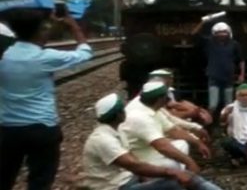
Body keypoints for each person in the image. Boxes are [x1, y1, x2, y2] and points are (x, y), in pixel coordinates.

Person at [0, 9, 93, 190]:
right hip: (42, 128)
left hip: (8, 130)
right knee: (40, 181)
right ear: (40, 30)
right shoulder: (45, 57)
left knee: (4, 178)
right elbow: (85, 53)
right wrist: (74, 27)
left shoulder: (4, 56)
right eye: (46, 27)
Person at [81, 94, 222, 190]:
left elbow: (132, 160)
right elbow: (134, 165)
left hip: (127, 180)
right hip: (116, 187)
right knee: (175, 183)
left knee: (185, 179)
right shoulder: (103, 139)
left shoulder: (115, 131)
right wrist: (172, 173)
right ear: (119, 115)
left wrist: (145, 177)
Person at [121, 82, 210, 172]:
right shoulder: (141, 117)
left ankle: (182, 174)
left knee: (181, 144)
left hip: (150, 149)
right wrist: (189, 162)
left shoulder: (154, 110)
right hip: (140, 156)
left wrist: (197, 143)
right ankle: (179, 178)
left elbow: (173, 130)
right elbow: (162, 146)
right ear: (160, 99)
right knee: (171, 165)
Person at [191, 19, 245, 115]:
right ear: (214, 33)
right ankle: (209, 124)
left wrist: (242, 74)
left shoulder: (234, 44)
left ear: (228, 33)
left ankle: (228, 126)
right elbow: (194, 34)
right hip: (214, 78)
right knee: (213, 105)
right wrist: (202, 22)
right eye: (219, 32)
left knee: (228, 105)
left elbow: (241, 60)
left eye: (224, 32)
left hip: (229, 78)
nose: (222, 34)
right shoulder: (209, 43)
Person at [147, 69, 213, 127]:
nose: (171, 80)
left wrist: (200, 110)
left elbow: (182, 102)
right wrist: (189, 113)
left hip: (179, 118)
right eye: (169, 78)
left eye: (171, 77)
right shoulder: (154, 94)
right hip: (167, 121)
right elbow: (167, 114)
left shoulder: (172, 91)